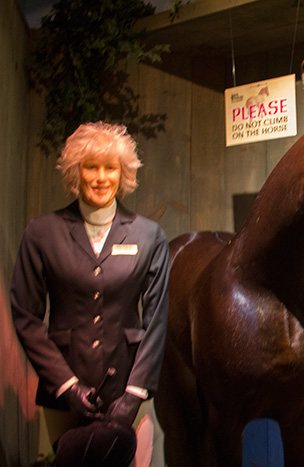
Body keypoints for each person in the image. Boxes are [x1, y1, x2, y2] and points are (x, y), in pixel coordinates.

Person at [11, 122, 169, 465]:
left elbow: (156, 321)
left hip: (125, 387)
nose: (101, 178)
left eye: (110, 168)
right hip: (61, 388)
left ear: (122, 172)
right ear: (75, 172)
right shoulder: (41, 234)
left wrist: (135, 392)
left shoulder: (149, 236)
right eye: (91, 167)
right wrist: (66, 384)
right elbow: (25, 314)